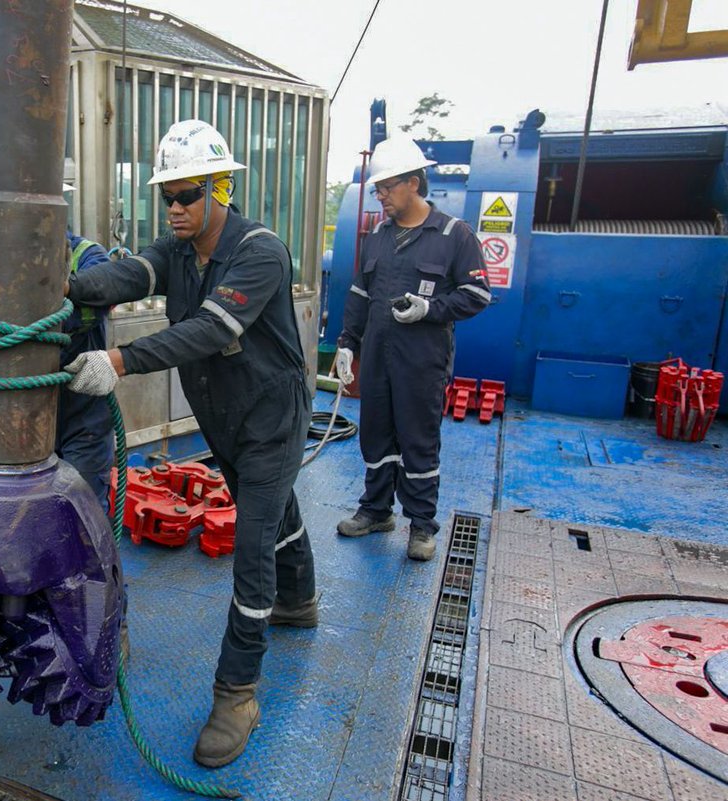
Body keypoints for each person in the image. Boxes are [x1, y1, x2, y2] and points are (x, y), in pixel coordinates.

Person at [62, 120, 315, 769]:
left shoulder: (260, 251)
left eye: (187, 194)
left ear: (218, 188)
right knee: (275, 509)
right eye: (167, 195)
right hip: (225, 417)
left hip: (271, 418)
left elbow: (207, 329)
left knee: (253, 541)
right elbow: (127, 276)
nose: (175, 208)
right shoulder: (175, 252)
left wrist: (119, 361)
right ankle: (301, 599)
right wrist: (63, 283)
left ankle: (237, 693)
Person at [333, 135, 490, 562]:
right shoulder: (379, 236)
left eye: (387, 186)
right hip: (378, 357)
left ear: (414, 183)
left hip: (422, 362)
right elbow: (359, 294)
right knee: (376, 435)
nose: (380, 195)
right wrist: (347, 343)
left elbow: (477, 294)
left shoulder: (454, 236)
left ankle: (421, 526)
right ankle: (376, 511)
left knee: (419, 441)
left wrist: (430, 308)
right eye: (378, 188)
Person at [56, 183, 114, 510]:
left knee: (83, 510)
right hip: (24, 412)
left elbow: (102, 293)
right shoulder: (0, 263)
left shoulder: (88, 256)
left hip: (83, 415)